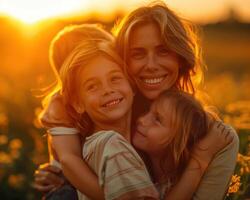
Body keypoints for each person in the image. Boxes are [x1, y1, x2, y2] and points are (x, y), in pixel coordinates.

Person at [34, 2, 239, 200]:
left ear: (181, 56)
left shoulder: (215, 137)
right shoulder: (109, 107)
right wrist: (62, 177)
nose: (151, 65)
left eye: (163, 51)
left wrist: (199, 160)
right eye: (138, 54)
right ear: (122, 60)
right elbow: (69, 160)